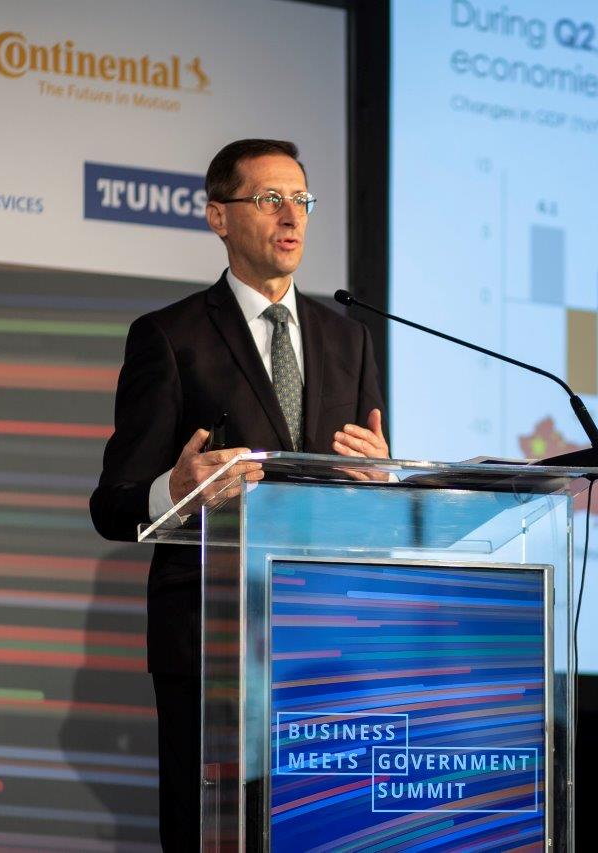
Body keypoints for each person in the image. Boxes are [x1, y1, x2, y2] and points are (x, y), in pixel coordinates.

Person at [89, 139, 388, 850]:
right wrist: (175, 489)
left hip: (323, 641)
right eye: (270, 199)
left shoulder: (348, 338)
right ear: (219, 217)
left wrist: (381, 480)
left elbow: (366, 483)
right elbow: (113, 502)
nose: (292, 216)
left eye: (302, 200)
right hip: (212, 641)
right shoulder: (170, 337)